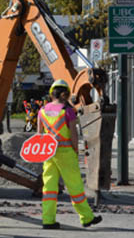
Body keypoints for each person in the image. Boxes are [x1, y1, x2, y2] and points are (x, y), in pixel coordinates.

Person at [38, 79, 102, 229]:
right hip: (65, 152)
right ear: (65, 94)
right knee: (75, 187)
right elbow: (73, 135)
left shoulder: (41, 111)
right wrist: (76, 150)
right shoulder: (68, 111)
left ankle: (48, 220)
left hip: (49, 153)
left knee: (49, 188)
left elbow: (39, 135)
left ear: (51, 94)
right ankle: (86, 217)